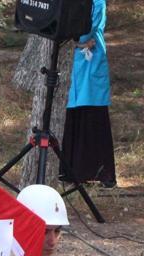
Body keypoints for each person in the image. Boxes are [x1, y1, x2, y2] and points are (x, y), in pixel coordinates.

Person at [61, 0, 115, 188]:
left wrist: (75, 41)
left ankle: (97, 172)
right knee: (72, 116)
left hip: (90, 61)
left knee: (92, 116)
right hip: (73, 62)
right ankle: (70, 171)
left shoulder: (97, 2)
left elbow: (87, 30)